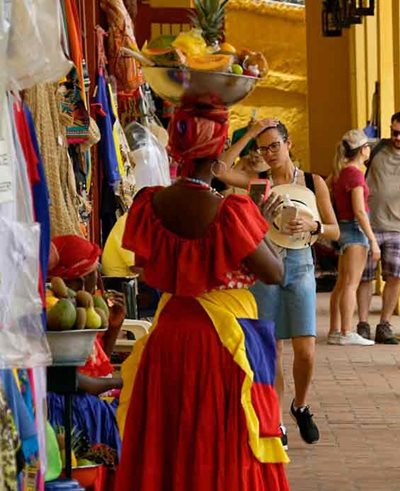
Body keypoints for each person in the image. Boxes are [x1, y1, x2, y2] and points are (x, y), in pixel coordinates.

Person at [114, 107, 290, 491]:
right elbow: (274, 273)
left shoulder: (150, 204)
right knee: (221, 438)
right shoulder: (232, 210)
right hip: (222, 340)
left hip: (170, 331)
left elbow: (144, 269)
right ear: (218, 154)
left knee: (171, 436)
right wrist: (260, 222)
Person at [216, 118, 340, 447]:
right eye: (263, 148)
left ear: (288, 144)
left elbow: (335, 230)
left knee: (306, 350)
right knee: (272, 349)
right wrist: (251, 134)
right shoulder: (259, 183)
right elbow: (219, 169)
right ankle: (276, 421)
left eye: (275, 145)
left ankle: (300, 405)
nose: (269, 153)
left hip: (300, 265)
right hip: (268, 264)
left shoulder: (313, 183)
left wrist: (314, 226)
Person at [46, 235, 126, 459]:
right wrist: (122, 380)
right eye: (92, 275)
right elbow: (72, 379)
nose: (98, 282)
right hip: (66, 411)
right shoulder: (53, 311)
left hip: (82, 402)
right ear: (75, 281)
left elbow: (93, 366)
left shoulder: (79, 312)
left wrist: (113, 329)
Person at [356, 111, 400, 344]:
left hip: (396, 225)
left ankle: (384, 325)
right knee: (364, 277)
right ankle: (363, 324)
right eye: (394, 132)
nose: (397, 137)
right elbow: (354, 166)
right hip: (367, 222)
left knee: (395, 276)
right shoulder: (375, 148)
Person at [328, 129, 381, 346]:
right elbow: (359, 210)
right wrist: (373, 240)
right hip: (355, 230)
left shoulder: (340, 172)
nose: (370, 149)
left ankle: (334, 330)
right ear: (362, 150)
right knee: (352, 284)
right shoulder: (356, 175)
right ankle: (346, 331)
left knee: (341, 283)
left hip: (343, 228)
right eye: (368, 146)